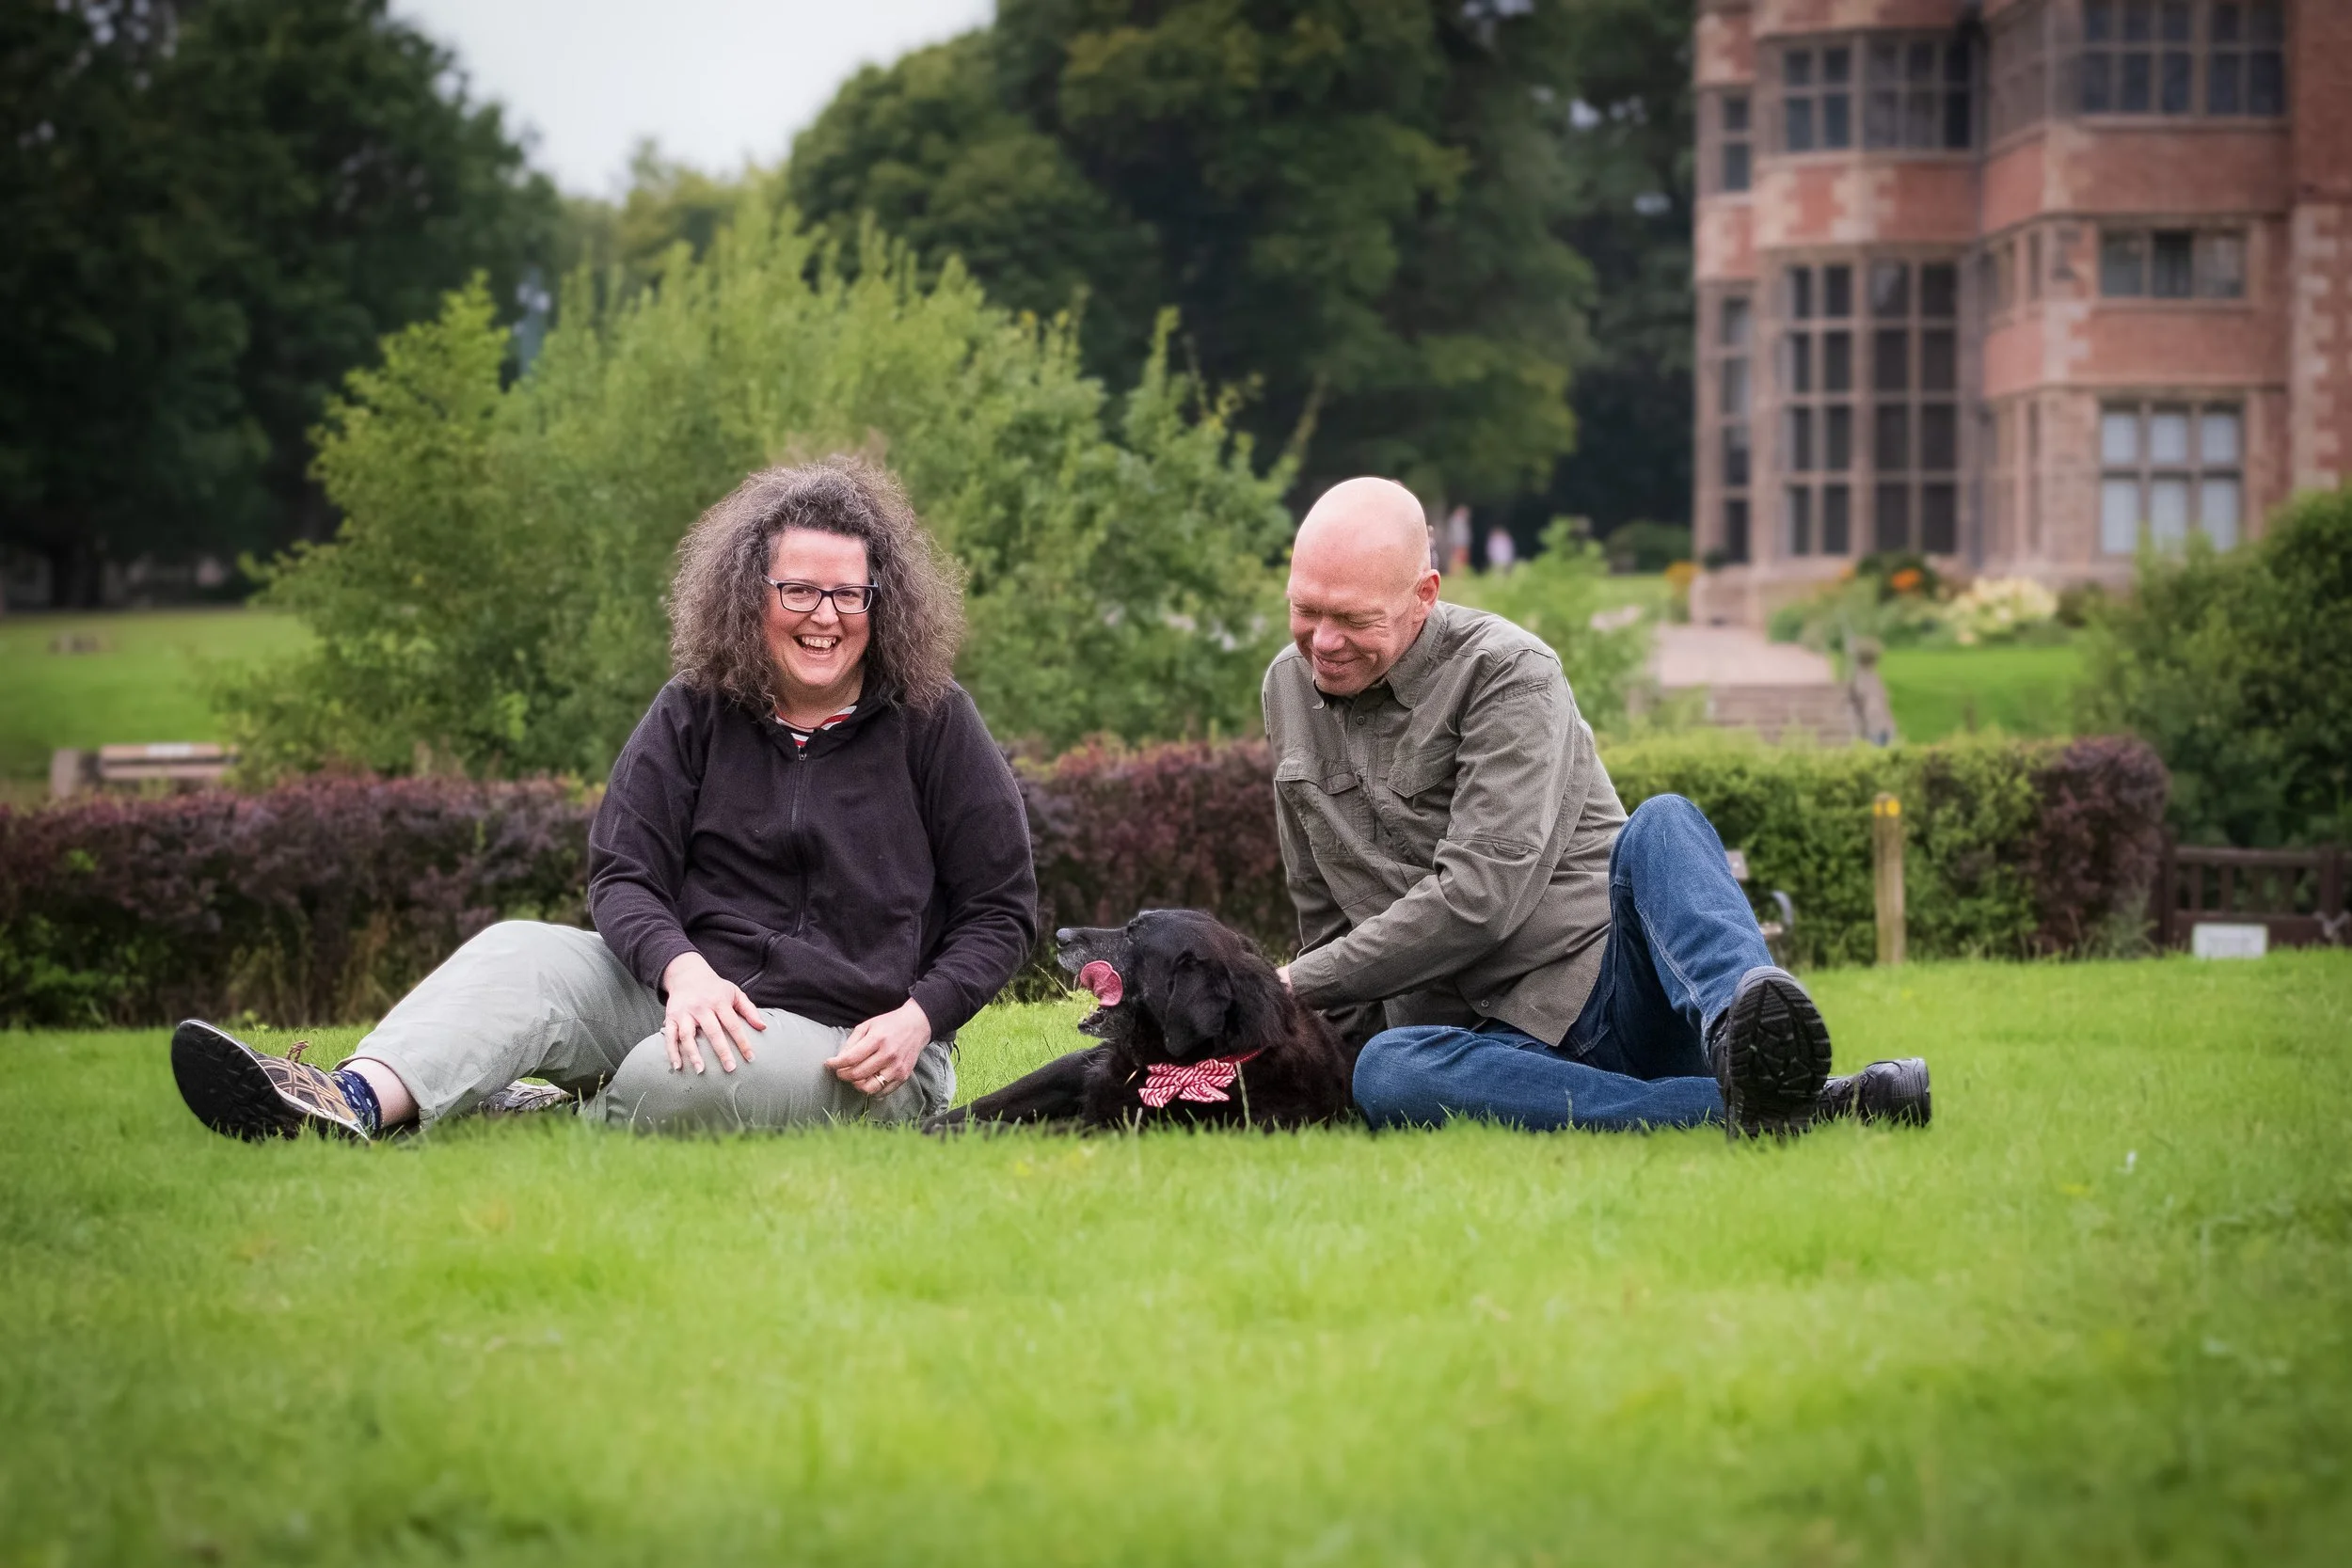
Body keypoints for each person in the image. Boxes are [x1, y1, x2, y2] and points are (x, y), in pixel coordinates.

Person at [170, 457, 1038, 1140]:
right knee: (518, 954)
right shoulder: (694, 708)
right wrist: (683, 968)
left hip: (860, 1045)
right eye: (798, 590)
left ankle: (534, 1113)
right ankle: (347, 1103)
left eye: (850, 593)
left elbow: (1001, 910)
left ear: (881, 603)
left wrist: (921, 1018)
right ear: (752, 595)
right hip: (693, 999)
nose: (826, 615)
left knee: (672, 1079)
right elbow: (623, 874)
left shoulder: (934, 722)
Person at [1265, 477, 1929, 1137]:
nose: (1322, 640)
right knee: (1386, 1073)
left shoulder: (1509, 671)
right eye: (1306, 610)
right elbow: (1324, 916)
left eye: (1352, 618)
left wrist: (1290, 984)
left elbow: (1480, 898)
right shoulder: (1287, 689)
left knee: (1664, 823)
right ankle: (1801, 1104)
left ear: (1424, 595)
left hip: (1614, 996)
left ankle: (1742, 1042)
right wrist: (1322, 1064)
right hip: (1485, 1052)